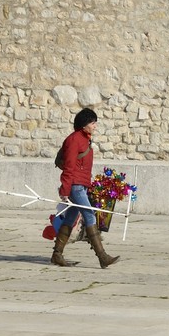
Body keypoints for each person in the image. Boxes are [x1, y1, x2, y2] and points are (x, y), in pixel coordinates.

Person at [49, 108, 119, 268]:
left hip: (81, 185)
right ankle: (102, 257)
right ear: (84, 125)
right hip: (75, 186)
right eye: (92, 123)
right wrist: (65, 190)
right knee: (89, 215)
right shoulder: (74, 140)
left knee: (70, 218)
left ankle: (57, 255)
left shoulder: (84, 139)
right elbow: (70, 167)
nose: (95, 126)